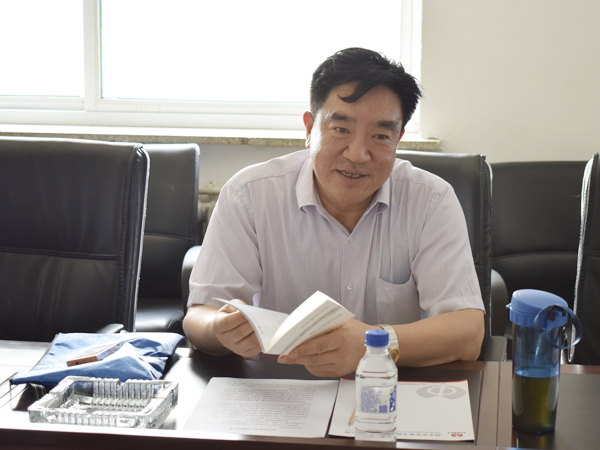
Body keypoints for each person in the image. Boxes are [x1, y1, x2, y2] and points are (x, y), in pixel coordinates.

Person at [183, 47, 485, 377]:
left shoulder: (431, 201)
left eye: (380, 136)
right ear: (309, 128)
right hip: (281, 387)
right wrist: (219, 328)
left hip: (390, 389)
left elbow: (468, 333)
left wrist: (374, 344)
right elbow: (199, 315)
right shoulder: (250, 195)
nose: (357, 154)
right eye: (341, 129)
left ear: (398, 139)